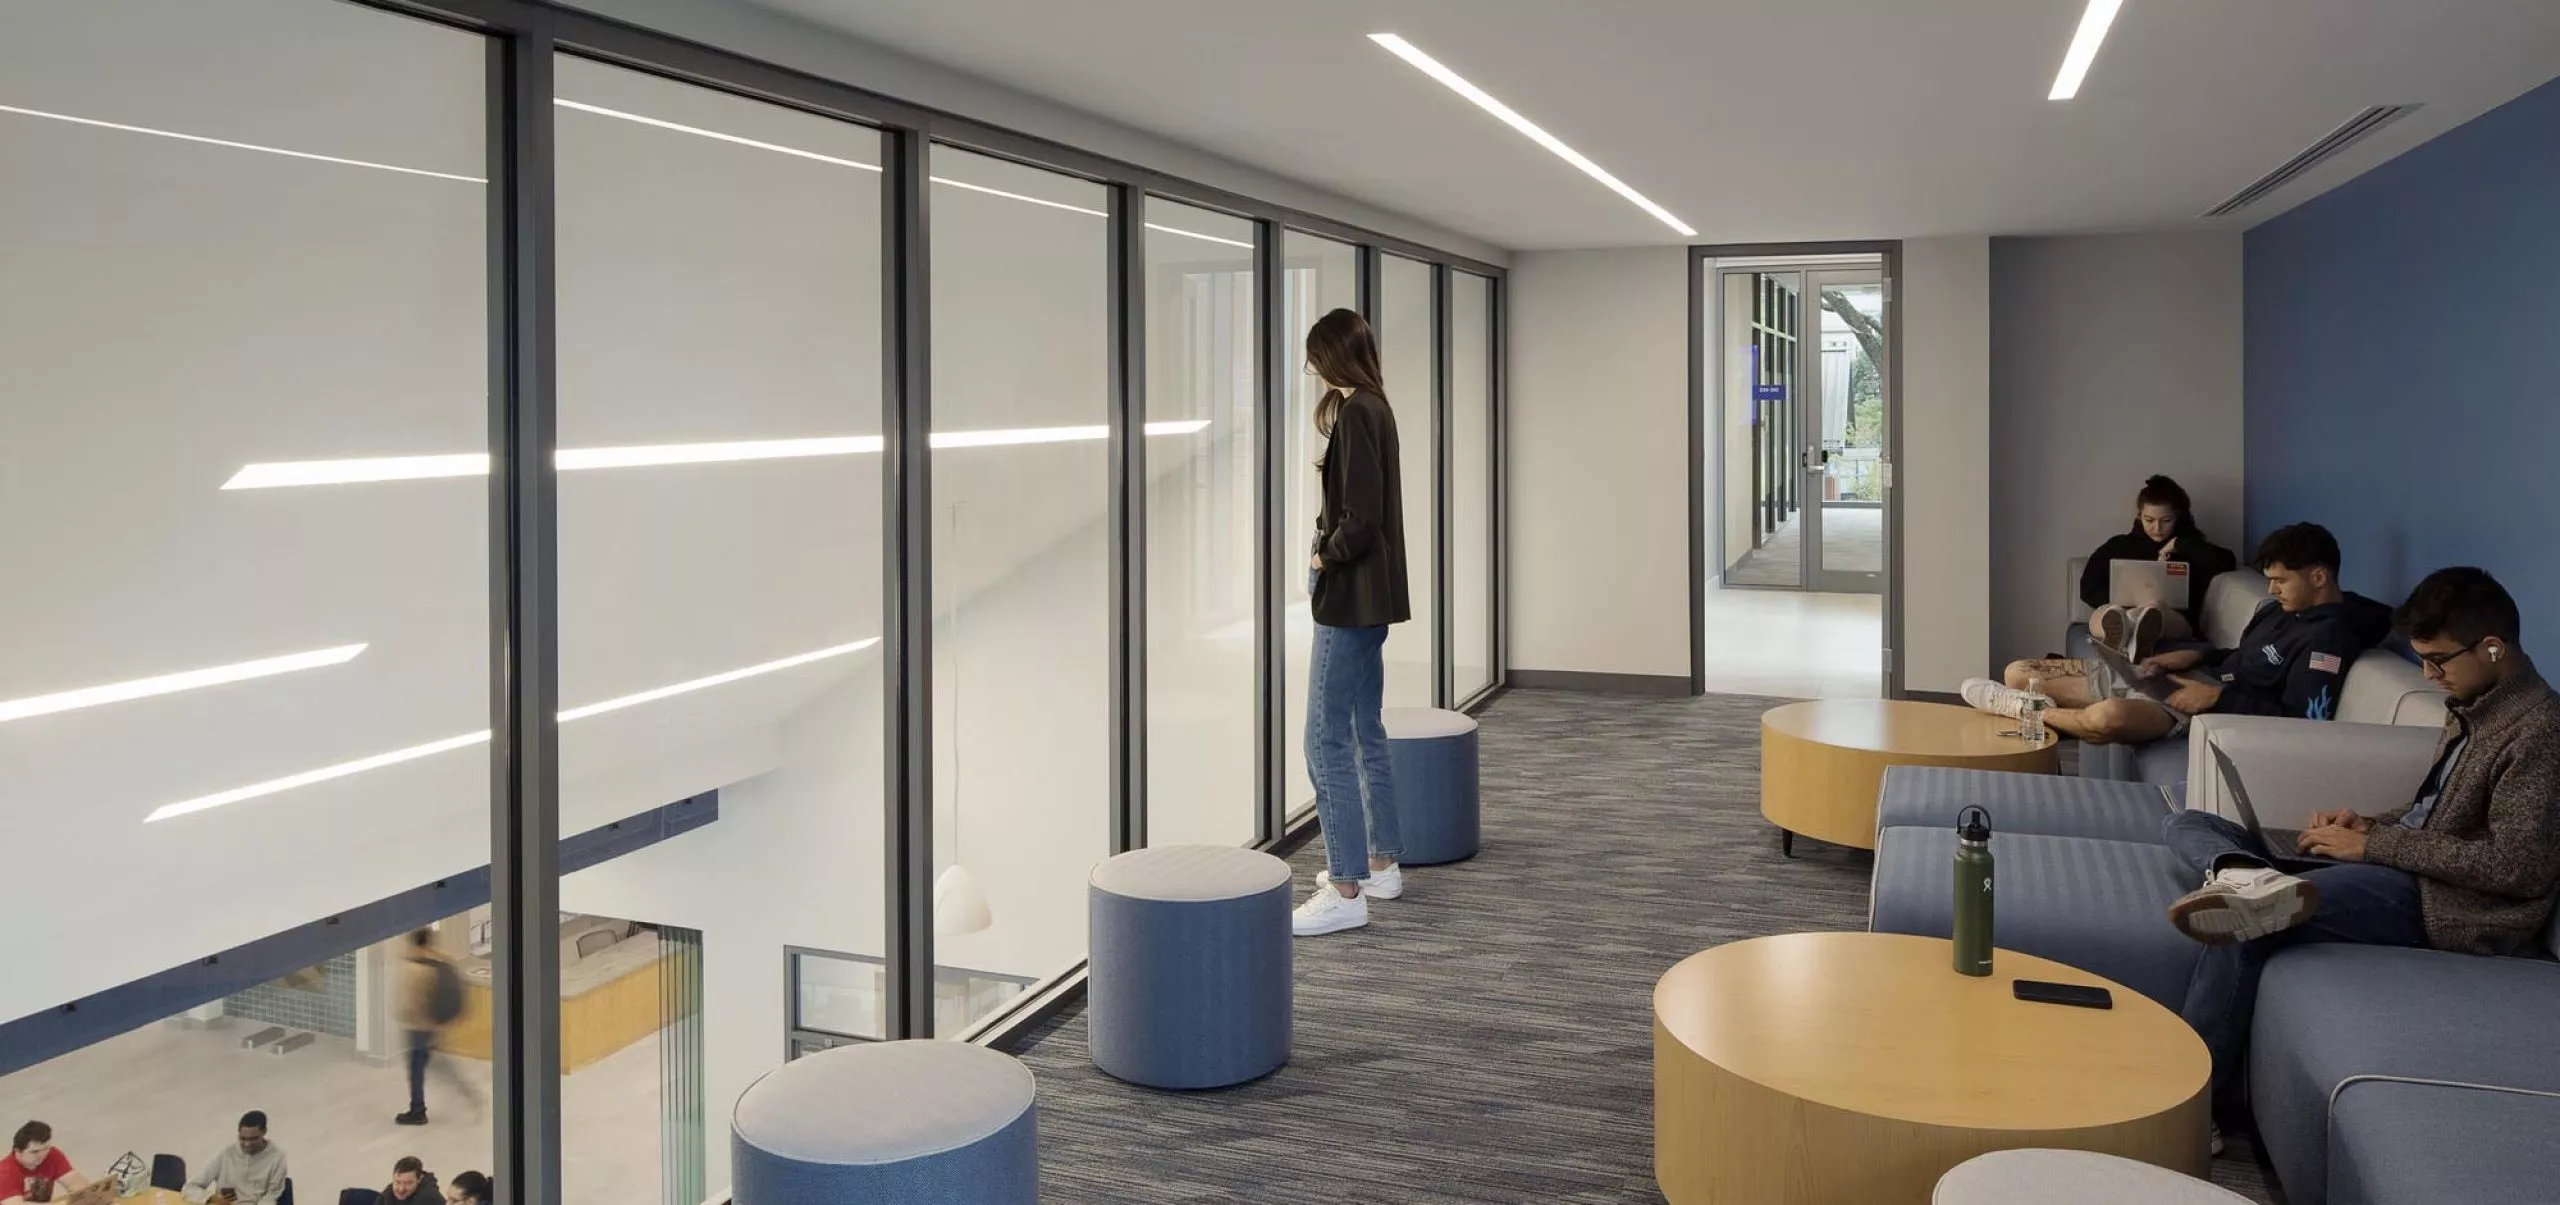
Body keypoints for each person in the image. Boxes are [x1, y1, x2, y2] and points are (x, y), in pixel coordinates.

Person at [2160, 567, 2560, 1107]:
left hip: (2445, 906)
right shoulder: (2473, 704)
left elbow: (2517, 867)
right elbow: (2435, 809)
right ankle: (2244, 872)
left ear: (2491, 648)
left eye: (2437, 660)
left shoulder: (2540, 732)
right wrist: (2369, 823)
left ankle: (2192, 1104)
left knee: (2247, 924)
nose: (2428, 673)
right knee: (2190, 820)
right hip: (2401, 867)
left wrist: (2373, 847)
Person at [1965, 523, 2391, 746]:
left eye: (2280, 581)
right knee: (2018, 670)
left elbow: (2304, 724)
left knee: (2107, 719)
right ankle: (2029, 695)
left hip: (2204, 706)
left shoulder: (2328, 638)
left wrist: (2216, 699)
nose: (2271, 590)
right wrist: (2193, 655)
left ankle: (2023, 712)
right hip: (2189, 677)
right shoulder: (2279, 610)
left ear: (2319, 576)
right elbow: (2240, 656)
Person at [1292, 308, 1413, 938]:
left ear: (1335, 356)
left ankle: (1344, 887)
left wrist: (1322, 553)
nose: (1309, 366)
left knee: (1324, 740)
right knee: (1365, 728)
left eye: (1315, 355)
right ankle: (1379, 861)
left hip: (1349, 598)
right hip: (1370, 601)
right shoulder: (1374, 407)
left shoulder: (1360, 411)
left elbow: (1360, 519)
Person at [2077, 475, 2239, 657]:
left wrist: (2180, 544)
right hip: (2122, 609)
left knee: (2154, 610)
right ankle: (2124, 629)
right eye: (2149, 520)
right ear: (2139, 515)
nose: (2157, 528)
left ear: (2178, 517)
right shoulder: (2119, 546)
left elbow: (2227, 561)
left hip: (2173, 618)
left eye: (2166, 520)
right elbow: (2087, 587)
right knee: (2105, 614)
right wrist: (2121, 602)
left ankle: (2133, 631)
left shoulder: (2191, 547)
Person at [396, 928, 477, 1126]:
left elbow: (410, 1003)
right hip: (435, 1026)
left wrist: (406, 1016)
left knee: (417, 1071)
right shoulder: (442, 963)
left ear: (415, 944)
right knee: (438, 1066)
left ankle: (418, 1111)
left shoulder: (415, 968)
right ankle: (466, 1091)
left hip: (419, 1028)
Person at [183, 1112, 287, 1205]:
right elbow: (190, 1188)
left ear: (264, 1132)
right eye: (243, 1138)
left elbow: (271, 1196)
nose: (247, 1144)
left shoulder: (277, 1156)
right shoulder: (226, 1153)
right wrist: (211, 1198)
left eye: (253, 1139)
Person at [2, 1122, 92, 1205]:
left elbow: (76, 1183)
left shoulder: (52, 1155)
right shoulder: (5, 1171)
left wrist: (84, 1197)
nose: (42, 1155)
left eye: (46, 1148)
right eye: (34, 1152)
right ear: (17, 1151)